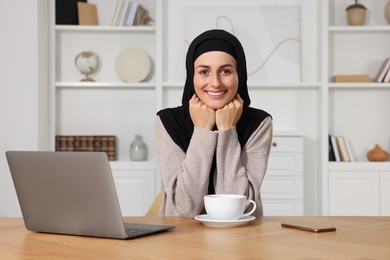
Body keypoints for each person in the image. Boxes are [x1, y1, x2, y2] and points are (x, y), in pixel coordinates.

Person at [156, 29, 273, 218]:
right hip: (180, 238)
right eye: (204, 72)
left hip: (242, 238)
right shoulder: (168, 122)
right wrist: (202, 131)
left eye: (226, 71)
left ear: (239, 75)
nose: (215, 82)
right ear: (191, 76)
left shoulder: (259, 123)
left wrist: (228, 130)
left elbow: (239, 207)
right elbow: (183, 208)